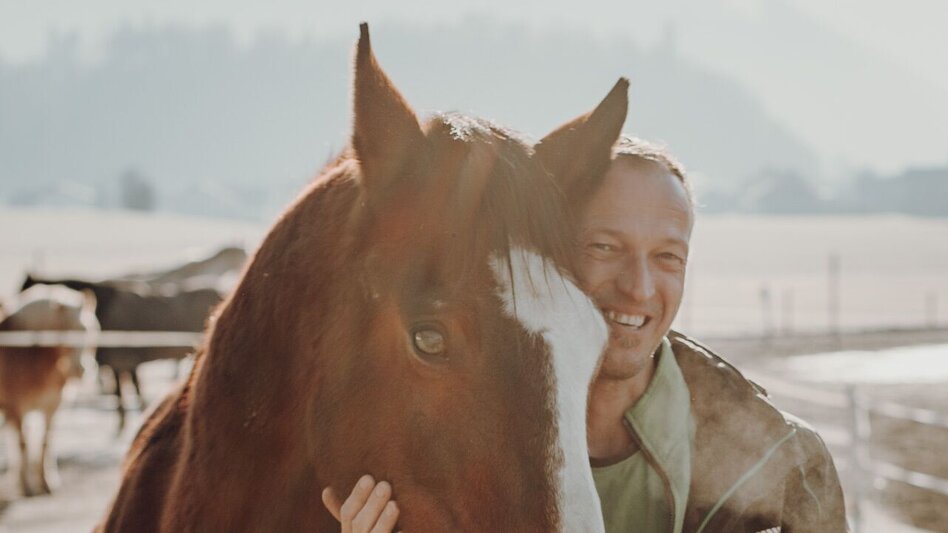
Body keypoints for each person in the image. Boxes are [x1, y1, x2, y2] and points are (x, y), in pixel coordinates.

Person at [322, 137, 848, 532]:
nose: (639, 288)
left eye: (667, 257)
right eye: (605, 247)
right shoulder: (448, 446)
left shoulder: (787, 466)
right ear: (549, 261)